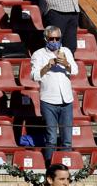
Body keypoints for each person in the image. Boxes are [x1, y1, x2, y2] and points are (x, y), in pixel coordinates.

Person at [31, 26, 79, 161]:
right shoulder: (38, 54)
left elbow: (75, 70)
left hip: (66, 100)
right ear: (46, 38)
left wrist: (66, 63)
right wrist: (48, 66)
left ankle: (65, 166)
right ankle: (49, 166)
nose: (54, 41)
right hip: (48, 101)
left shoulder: (66, 51)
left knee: (67, 139)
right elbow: (34, 76)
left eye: (57, 38)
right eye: (51, 38)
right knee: (51, 138)